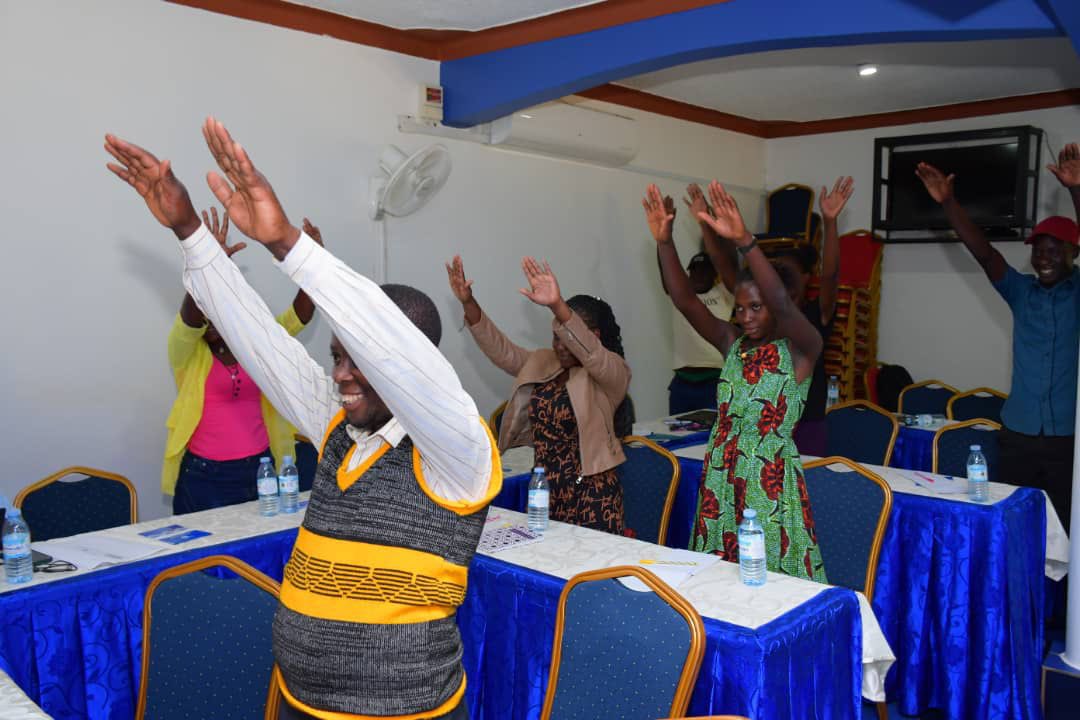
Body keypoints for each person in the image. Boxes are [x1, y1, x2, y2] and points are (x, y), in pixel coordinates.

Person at [106, 118, 499, 720]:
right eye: (337, 356)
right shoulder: (337, 426)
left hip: (406, 711)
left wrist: (290, 243)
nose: (340, 375)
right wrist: (190, 232)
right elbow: (259, 340)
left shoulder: (455, 454)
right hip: (298, 704)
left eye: (358, 362)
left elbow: (392, 347)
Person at [643, 181, 826, 580]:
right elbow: (684, 300)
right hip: (722, 478)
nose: (745, 316)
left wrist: (745, 241)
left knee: (773, 584)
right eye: (740, 308)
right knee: (719, 587)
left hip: (770, 487)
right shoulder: (732, 344)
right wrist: (664, 242)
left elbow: (779, 299)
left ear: (779, 308)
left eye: (756, 307)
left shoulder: (801, 349)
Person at [916, 146, 1080, 533]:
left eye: (1054, 251)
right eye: (1039, 252)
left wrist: (1077, 190)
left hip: (1065, 442)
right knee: (1013, 528)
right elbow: (984, 254)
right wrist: (949, 203)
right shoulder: (1021, 292)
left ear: (1072, 253)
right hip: (1017, 435)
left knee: (1062, 532)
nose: (1044, 259)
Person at [447, 255, 631, 534]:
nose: (559, 346)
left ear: (592, 335)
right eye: (556, 337)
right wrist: (468, 303)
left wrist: (558, 306)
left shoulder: (611, 374)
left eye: (566, 337)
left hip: (593, 497)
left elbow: (592, 353)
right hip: (545, 490)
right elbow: (502, 351)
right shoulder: (544, 362)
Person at [165, 208, 323, 514]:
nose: (209, 318)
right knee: (204, 561)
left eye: (217, 309)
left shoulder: (257, 344)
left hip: (260, 471)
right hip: (202, 476)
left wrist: (313, 265)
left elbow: (299, 315)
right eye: (205, 310)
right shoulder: (186, 352)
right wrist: (206, 268)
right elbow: (188, 321)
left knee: (254, 555)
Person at [766, 177, 853, 455]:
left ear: (805, 277)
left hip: (808, 423)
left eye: (790, 272)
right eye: (778, 272)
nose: (783, 279)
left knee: (806, 493)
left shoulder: (816, 313)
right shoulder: (766, 315)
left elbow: (831, 275)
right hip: (769, 420)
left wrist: (829, 221)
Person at [660, 185, 736, 414]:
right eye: (694, 270)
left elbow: (727, 262)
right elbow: (667, 274)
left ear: (715, 275)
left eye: (705, 271)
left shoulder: (724, 295)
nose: (699, 275)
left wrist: (707, 223)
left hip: (715, 379)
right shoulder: (683, 298)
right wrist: (663, 236)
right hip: (683, 382)